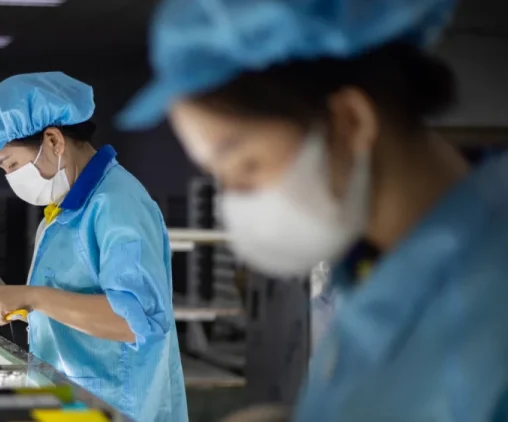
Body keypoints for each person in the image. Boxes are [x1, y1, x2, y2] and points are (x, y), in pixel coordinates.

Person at [119, 0, 508, 421]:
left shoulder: (489, 291)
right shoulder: (370, 271)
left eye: (246, 167)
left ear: (351, 121)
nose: (233, 204)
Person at [0, 72, 187, 422]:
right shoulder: (65, 208)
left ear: (53, 140)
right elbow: (69, 298)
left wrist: (32, 296)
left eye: (11, 165)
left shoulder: (116, 204)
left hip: (120, 406)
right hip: (74, 403)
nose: (10, 178)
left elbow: (133, 322)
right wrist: (9, 296)